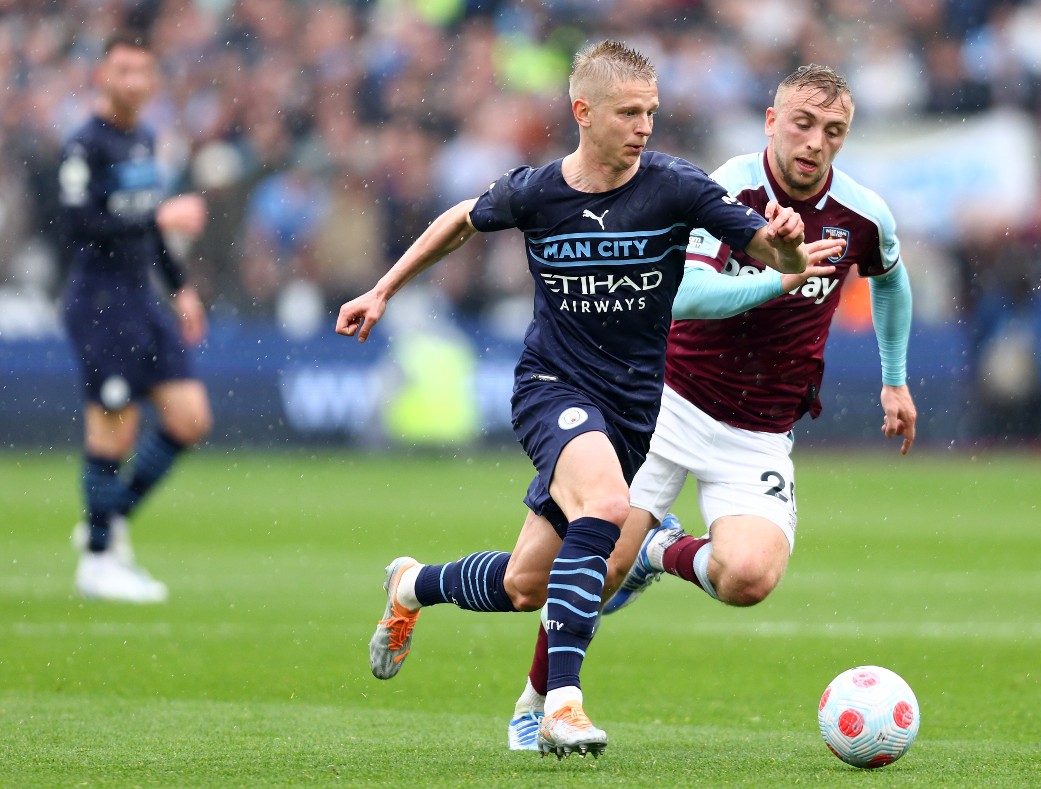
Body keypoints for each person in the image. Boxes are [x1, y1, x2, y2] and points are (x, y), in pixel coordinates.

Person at [336, 41, 844, 759]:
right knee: (606, 508)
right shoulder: (538, 191)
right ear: (584, 112)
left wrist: (789, 246)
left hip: (632, 411)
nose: (644, 127)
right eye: (630, 113)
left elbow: (769, 252)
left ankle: (411, 585)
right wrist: (383, 289)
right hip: (552, 390)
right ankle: (562, 704)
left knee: (524, 584)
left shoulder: (677, 187)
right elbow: (459, 221)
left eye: (652, 113)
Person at [504, 64, 916, 751]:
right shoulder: (727, 189)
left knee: (749, 577)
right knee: (584, 571)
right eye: (803, 124)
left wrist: (894, 380)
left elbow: (891, 281)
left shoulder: (863, 215)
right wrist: (776, 282)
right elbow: (685, 296)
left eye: (834, 131)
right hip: (665, 405)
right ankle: (534, 703)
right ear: (771, 121)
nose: (816, 142)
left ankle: (660, 548)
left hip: (759, 430)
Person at [60, 30, 211, 603]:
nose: (133, 82)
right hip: (98, 300)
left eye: (142, 71)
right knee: (114, 425)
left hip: (141, 297)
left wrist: (182, 289)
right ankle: (98, 561)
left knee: (190, 418)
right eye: (121, 70)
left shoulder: (145, 139)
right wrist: (160, 213)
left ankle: (106, 516)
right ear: (101, 76)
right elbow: (77, 226)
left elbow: (148, 229)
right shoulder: (84, 145)